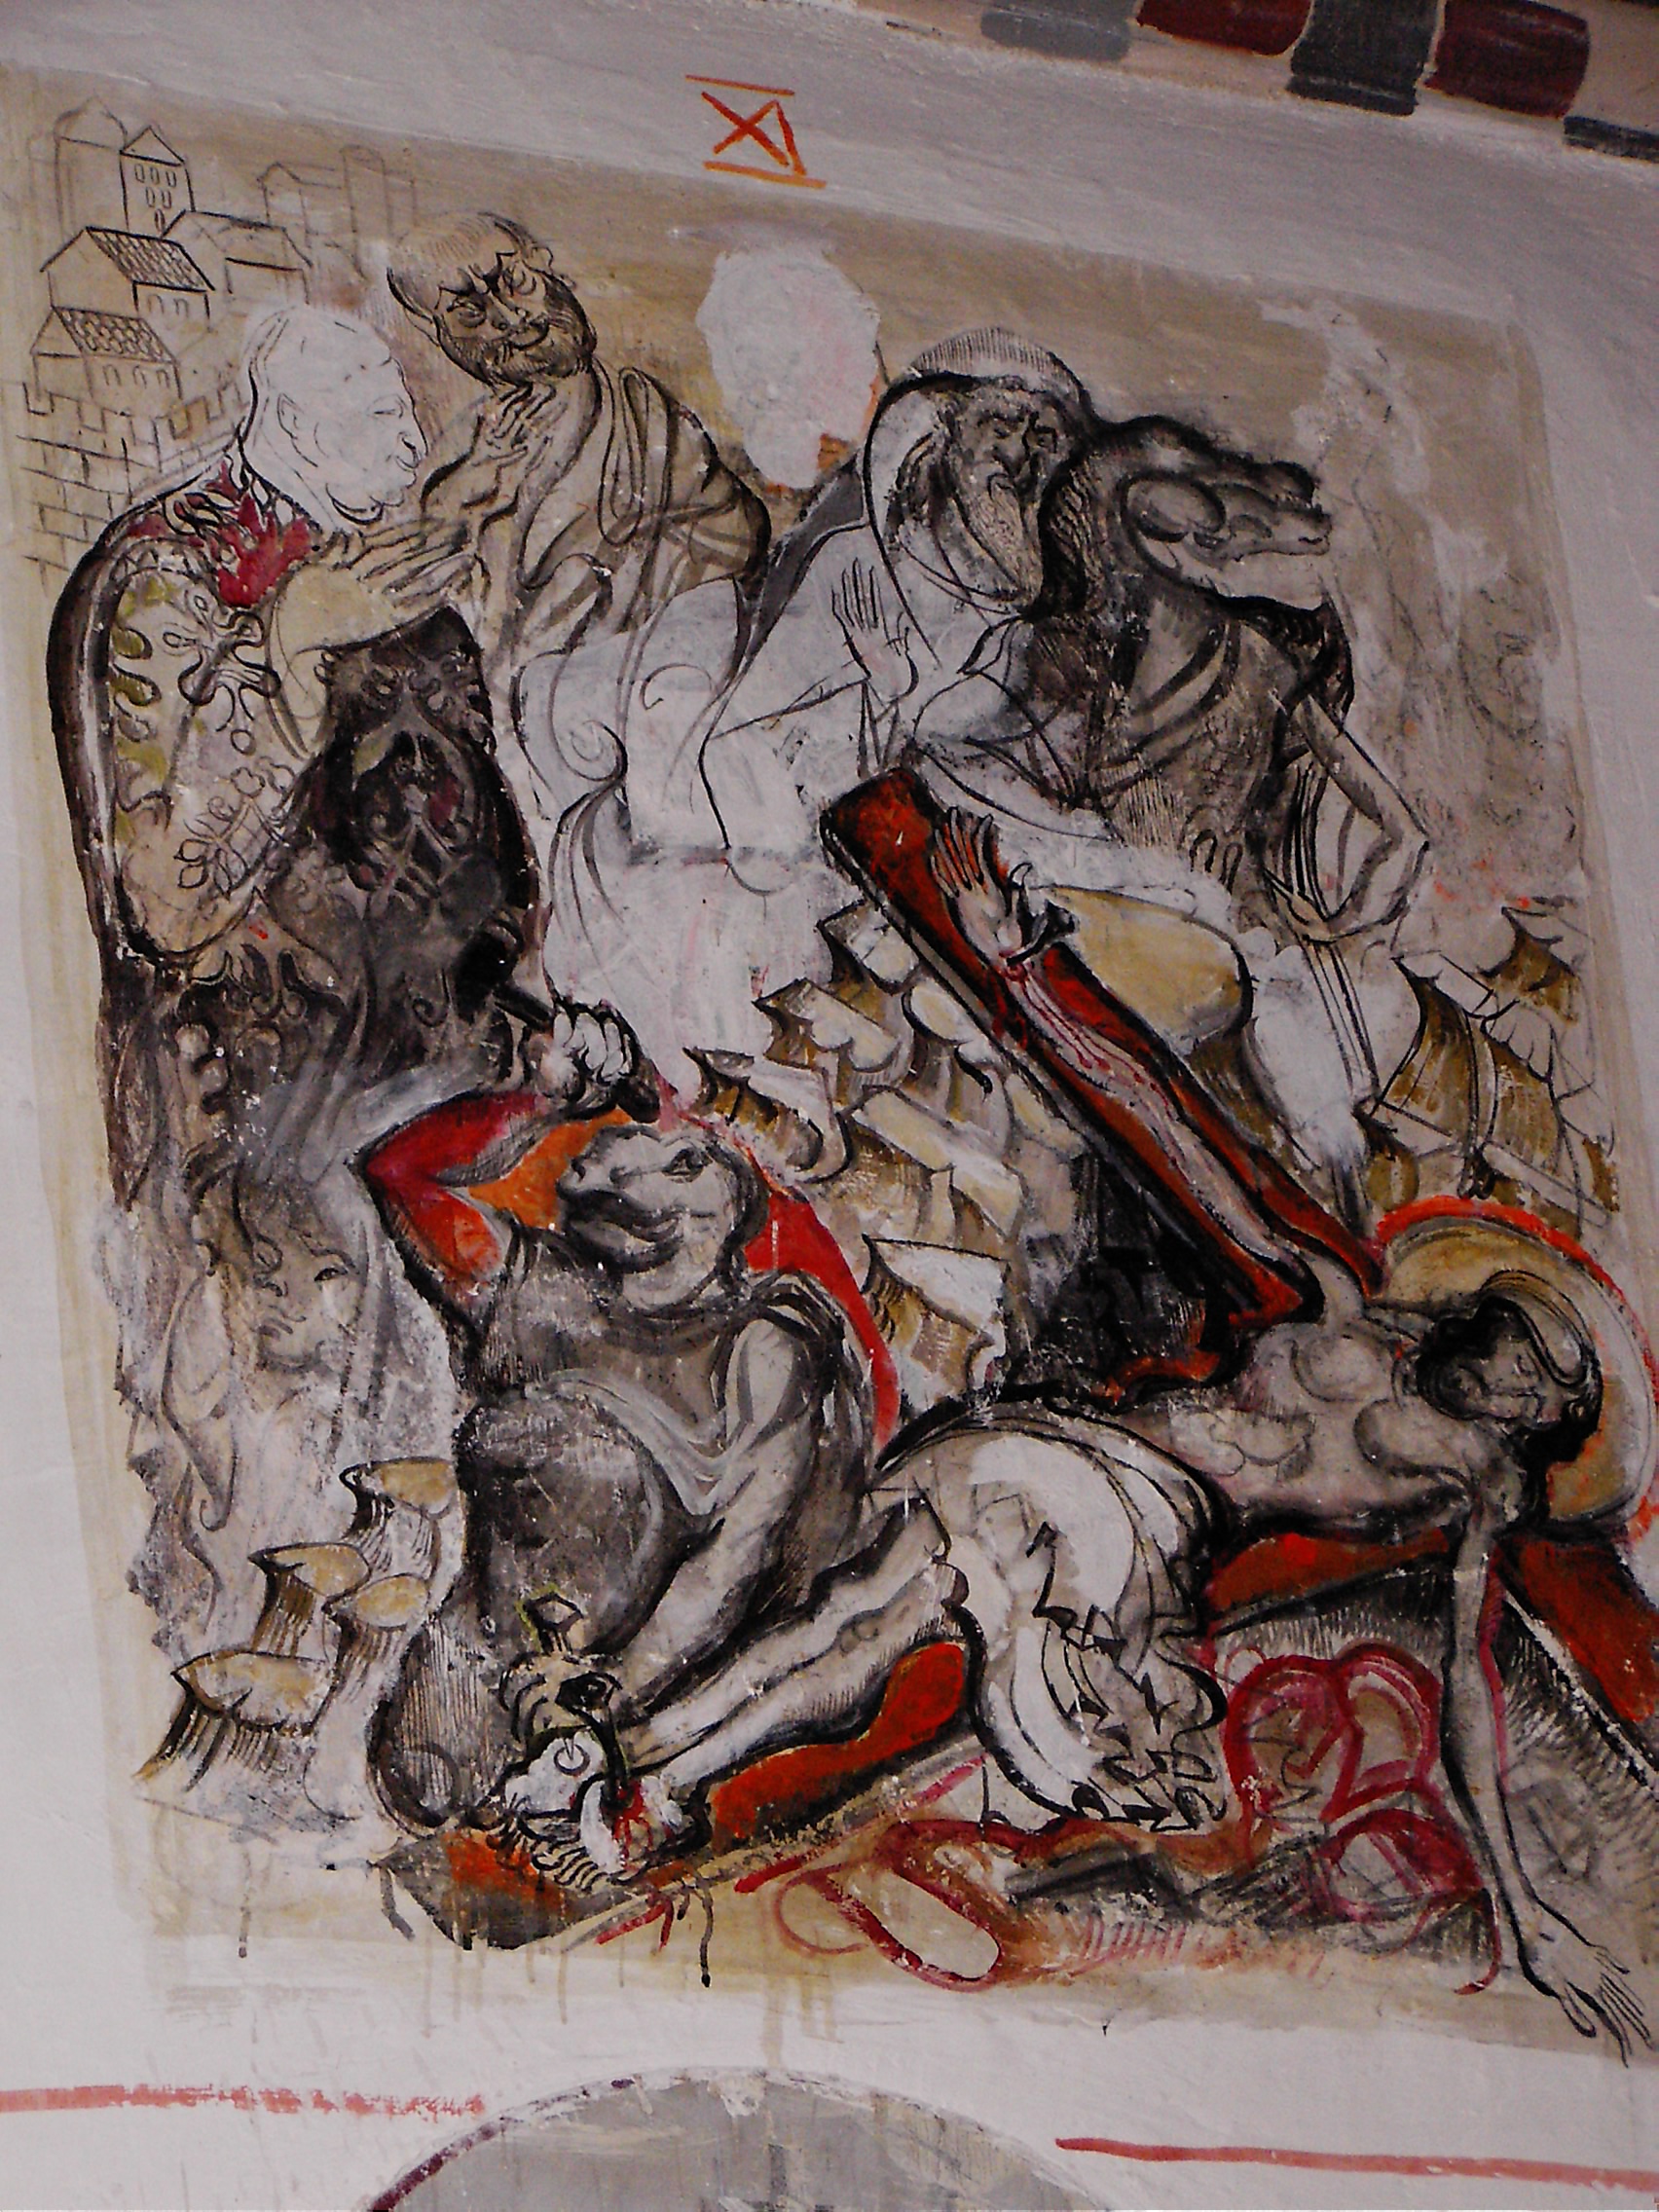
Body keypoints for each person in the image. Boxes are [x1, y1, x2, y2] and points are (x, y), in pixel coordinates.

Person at [521, 1206, 1650, 2055]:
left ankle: (649, 1769)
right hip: (1078, 1443)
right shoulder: (1344, 1301)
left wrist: (1526, 1913)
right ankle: (642, 1766)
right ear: (1489, 1318)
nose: (1518, 1393)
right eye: (1526, 1358)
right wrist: (1035, 986)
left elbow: (1465, 1681)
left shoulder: (1480, 1478)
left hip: (1147, 1522)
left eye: (1541, 1401)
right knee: (859, 1617)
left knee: (875, 1626)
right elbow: (1171, 1128)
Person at [360, 1007, 874, 1830]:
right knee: (412, 1800)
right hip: (463, 1671)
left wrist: (609, 1699)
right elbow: (399, 1173)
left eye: (661, 1142)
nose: (605, 1135)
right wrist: (543, 1100)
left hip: (604, 1713)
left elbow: (735, 1555)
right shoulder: (540, 1291)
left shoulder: (759, 1347)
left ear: (703, 1191)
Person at [376, 213, 768, 787]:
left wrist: (616, 573)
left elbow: (733, 535)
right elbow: (427, 594)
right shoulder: (463, 454)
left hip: (654, 704)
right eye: (469, 312)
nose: (509, 318)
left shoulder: (643, 414)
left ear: (543, 263)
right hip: (519, 738)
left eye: (514, 283)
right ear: (439, 333)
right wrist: (478, 488)